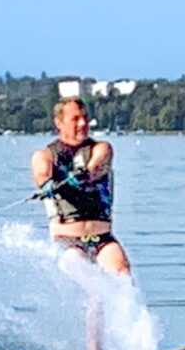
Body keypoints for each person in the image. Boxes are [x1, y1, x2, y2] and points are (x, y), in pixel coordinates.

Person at [30, 97, 131, 276]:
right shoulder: (45, 155)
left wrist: (86, 171)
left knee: (121, 272)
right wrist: (47, 185)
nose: (83, 123)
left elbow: (99, 160)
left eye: (85, 118)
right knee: (90, 286)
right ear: (59, 123)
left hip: (103, 239)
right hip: (68, 242)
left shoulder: (101, 148)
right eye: (75, 119)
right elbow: (41, 173)